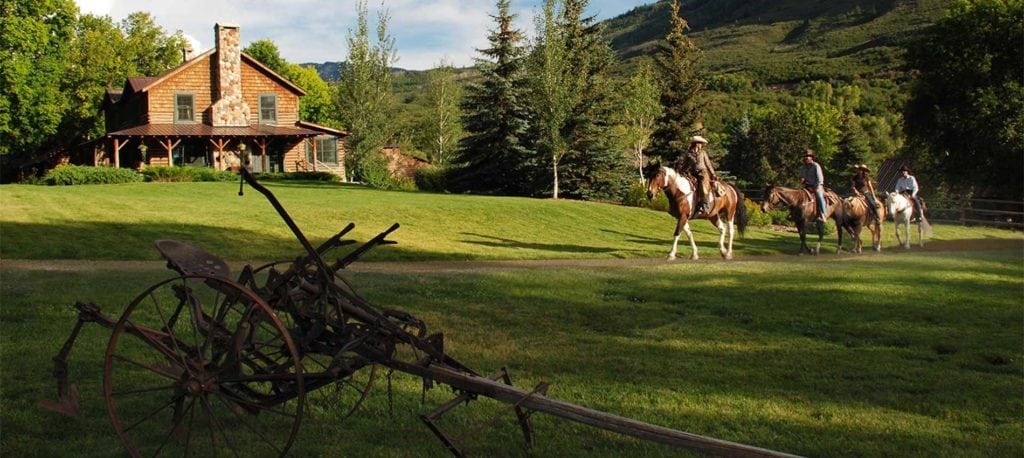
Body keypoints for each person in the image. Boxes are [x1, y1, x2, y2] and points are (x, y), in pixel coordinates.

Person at [678, 135, 718, 214]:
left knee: (703, 188)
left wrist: (713, 173)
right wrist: (681, 172)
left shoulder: (703, 153)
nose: (701, 145)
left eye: (701, 143)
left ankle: (705, 206)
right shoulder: (689, 154)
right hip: (692, 173)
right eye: (700, 143)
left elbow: (708, 164)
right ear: (696, 144)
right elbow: (685, 164)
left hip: (703, 173)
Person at [800, 149, 827, 222]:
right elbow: (803, 176)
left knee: (819, 196)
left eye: (808, 156)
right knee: (799, 195)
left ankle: (823, 214)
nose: (806, 158)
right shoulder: (804, 167)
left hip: (817, 185)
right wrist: (802, 179)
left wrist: (817, 185)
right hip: (808, 186)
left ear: (811, 157)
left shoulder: (816, 166)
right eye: (805, 156)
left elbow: (820, 178)